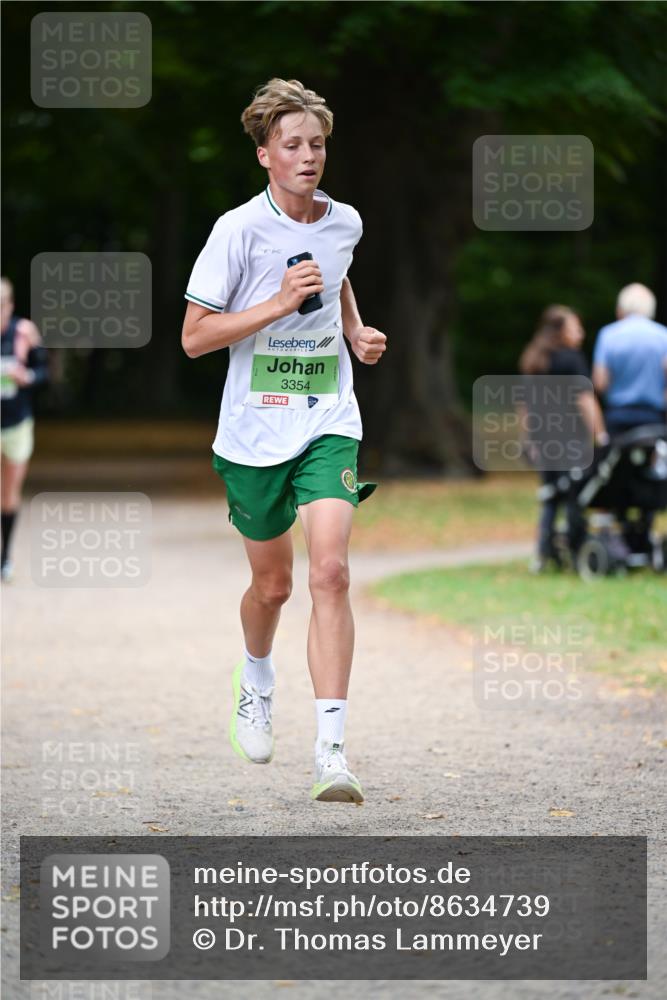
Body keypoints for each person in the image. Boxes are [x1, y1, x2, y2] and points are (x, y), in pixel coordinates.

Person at [181, 79, 386, 803]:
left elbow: (338, 276)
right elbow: (195, 337)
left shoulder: (344, 221)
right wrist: (274, 303)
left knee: (329, 572)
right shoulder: (238, 231)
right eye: (292, 145)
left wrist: (353, 328)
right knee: (274, 584)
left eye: (317, 144)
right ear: (265, 154)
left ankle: (331, 751)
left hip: (327, 418)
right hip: (252, 431)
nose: (308, 156)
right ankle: (255, 678)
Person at [518, 304, 606, 572]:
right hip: (570, 439)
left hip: (543, 440)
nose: (581, 333)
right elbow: (584, 400)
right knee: (574, 493)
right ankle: (576, 549)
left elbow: (524, 405)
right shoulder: (571, 359)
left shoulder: (534, 359)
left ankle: (544, 553)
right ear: (560, 331)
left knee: (550, 495)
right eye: (575, 327)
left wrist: (528, 440)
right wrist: (600, 434)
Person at [1, 277, 49, 581]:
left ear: (10, 306)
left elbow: (44, 373)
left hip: (17, 423)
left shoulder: (25, 333)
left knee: (9, 493)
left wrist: (27, 376)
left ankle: (5, 556)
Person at [592, 283, 667, 434]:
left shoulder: (608, 334)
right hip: (653, 416)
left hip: (617, 415)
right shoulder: (663, 335)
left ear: (621, 307)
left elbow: (600, 383)